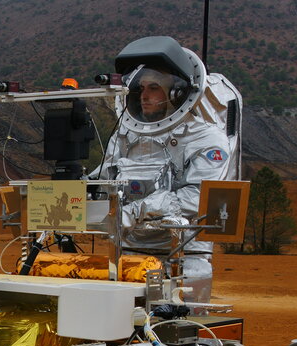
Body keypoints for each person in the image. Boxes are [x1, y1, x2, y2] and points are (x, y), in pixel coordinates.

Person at [95, 36, 242, 307]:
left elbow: (198, 198)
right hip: (126, 255)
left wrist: (136, 211)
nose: (144, 96)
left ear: (176, 92)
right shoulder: (125, 135)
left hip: (182, 259)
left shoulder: (206, 139)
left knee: (173, 337)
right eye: (140, 89)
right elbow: (105, 178)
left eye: (154, 88)